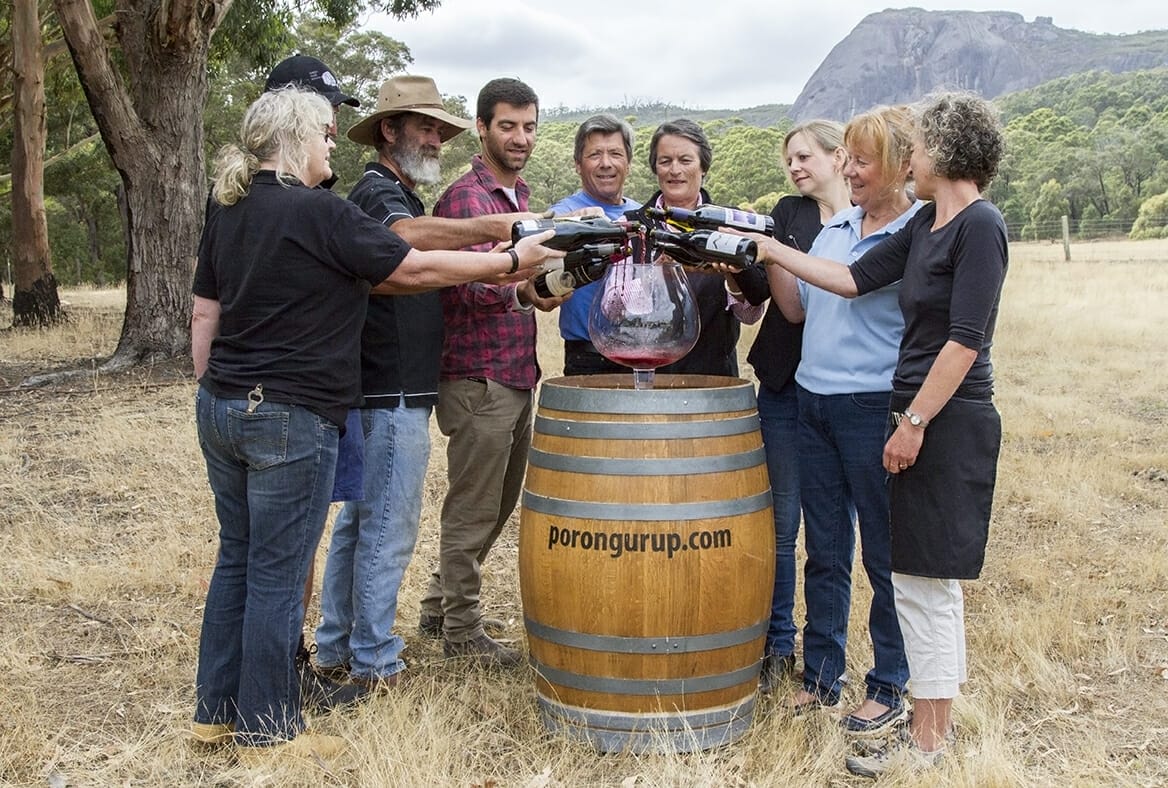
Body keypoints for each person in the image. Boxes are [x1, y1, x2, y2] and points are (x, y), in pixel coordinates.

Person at [188, 87, 559, 764]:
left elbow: (204, 314)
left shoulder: (230, 209)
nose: (333, 145)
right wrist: (510, 259)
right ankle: (269, 728)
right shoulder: (320, 210)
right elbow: (413, 264)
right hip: (291, 414)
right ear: (297, 139)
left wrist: (218, 389)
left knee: (238, 560)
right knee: (277, 569)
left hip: (223, 407)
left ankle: (214, 713)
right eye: (326, 136)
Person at [749, 91, 1008, 777]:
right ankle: (909, 725)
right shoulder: (923, 230)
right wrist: (770, 247)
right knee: (888, 570)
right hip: (868, 409)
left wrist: (913, 422)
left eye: (914, 149)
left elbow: (966, 340)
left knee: (917, 576)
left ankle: (915, 722)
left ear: (933, 155)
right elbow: (852, 277)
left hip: (922, 416)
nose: (910, 158)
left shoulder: (970, 225)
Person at [312, 75, 549, 690]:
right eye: (424, 128)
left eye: (438, 130)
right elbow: (405, 244)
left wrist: (526, 282)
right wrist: (502, 239)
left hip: (402, 386)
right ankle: (375, 659)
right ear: (389, 131)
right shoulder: (381, 194)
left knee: (363, 524)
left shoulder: (401, 193)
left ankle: (340, 646)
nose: (434, 140)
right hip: (394, 387)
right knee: (389, 528)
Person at [768, 106, 921, 740]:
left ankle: (889, 684)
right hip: (812, 402)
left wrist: (774, 247)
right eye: (850, 160)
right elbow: (797, 311)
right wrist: (765, 251)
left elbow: (855, 284)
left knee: (885, 554)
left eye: (863, 161)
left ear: (901, 165)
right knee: (824, 548)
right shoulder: (837, 226)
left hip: (869, 406)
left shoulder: (919, 229)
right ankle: (821, 673)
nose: (851, 172)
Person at [417, 77, 565, 667]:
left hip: (513, 372)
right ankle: (462, 631)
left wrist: (537, 291)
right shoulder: (465, 200)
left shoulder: (517, 196)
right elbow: (464, 284)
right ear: (482, 128)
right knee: (473, 507)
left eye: (529, 126)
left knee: (499, 504)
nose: (521, 137)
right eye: (508, 125)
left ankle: (437, 606)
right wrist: (519, 275)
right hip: (476, 376)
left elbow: (505, 283)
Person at [734, 120, 852, 693]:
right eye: (790, 160)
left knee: (832, 532)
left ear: (839, 156)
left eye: (805, 157)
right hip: (784, 386)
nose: (796, 167)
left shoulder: (872, 217)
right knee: (780, 526)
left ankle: (826, 656)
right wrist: (767, 255)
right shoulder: (787, 212)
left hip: (841, 390)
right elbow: (787, 306)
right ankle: (776, 646)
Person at [625, 119, 761, 376]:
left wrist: (733, 275)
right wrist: (653, 276)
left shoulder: (731, 224)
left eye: (685, 160)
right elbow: (618, 311)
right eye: (665, 161)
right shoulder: (631, 225)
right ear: (655, 168)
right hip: (648, 378)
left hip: (715, 378)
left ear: (703, 167)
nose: (674, 170)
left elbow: (750, 315)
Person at [550, 114, 642, 375]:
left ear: (628, 163)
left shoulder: (641, 215)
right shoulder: (566, 214)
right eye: (594, 155)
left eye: (615, 153)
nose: (606, 164)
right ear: (578, 164)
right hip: (587, 357)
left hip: (641, 352)